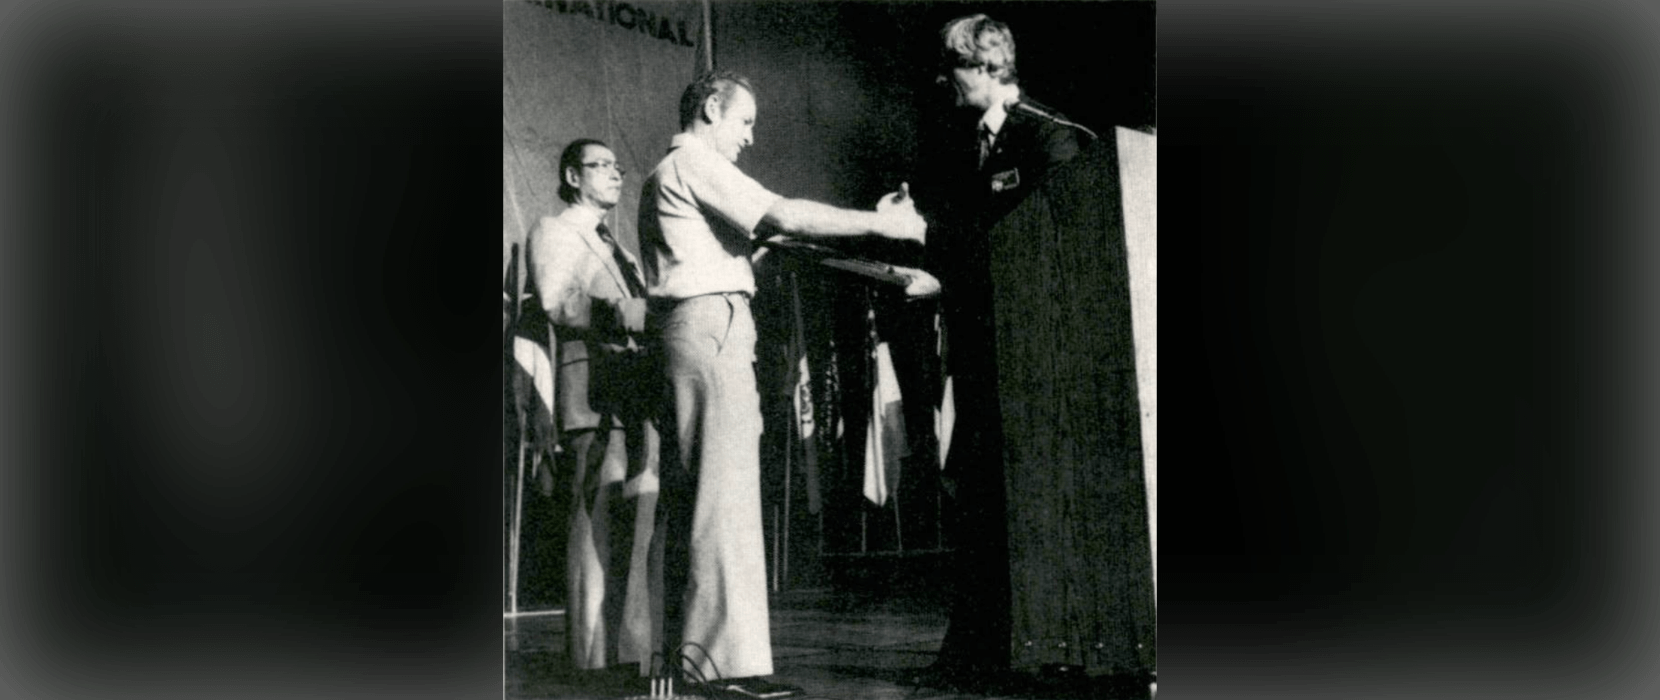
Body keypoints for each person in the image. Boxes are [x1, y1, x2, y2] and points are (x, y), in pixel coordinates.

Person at [637, 70, 927, 696]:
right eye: (744, 121)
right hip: (710, 326)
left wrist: (887, 267)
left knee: (699, 499)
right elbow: (783, 213)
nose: (749, 137)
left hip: (698, 328)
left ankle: (685, 662)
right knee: (723, 499)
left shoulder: (678, 175)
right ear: (711, 108)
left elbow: (779, 237)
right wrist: (886, 225)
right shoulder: (693, 162)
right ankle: (720, 670)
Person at [915, 13, 1093, 680]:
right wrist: (930, 265)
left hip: (1037, 365)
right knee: (980, 501)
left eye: (953, 67)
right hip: (984, 358)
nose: (943, 81)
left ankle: (1040, 652)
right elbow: (974, 248)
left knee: (1030, 504)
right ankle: (975, 649)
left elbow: (1042, 255)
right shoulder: (969, 149)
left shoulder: (1054, 141)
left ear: (991, 67)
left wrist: (931, 247)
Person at [526, 138, 662, 677]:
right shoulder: (555, 230)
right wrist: (635, 313)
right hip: (591, 398)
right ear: (572, 176)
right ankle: (590, 662)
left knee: (638, 530)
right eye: (599, 166)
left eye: (617, 167)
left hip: (636, 397)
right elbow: (559, 300)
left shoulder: (622, 250)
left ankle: (630, 655)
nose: (614, 175)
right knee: (595, 528)